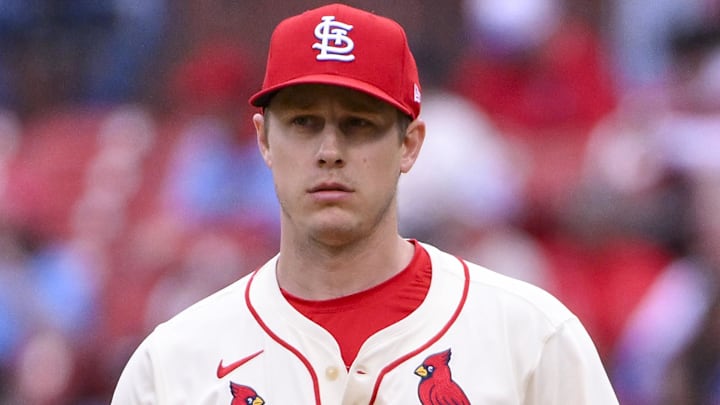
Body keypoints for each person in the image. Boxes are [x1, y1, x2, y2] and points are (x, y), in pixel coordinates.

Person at [111, 3, 618, 404]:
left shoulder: (532, 338)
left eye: (359, 124)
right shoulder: (173, 364)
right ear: (264, 140)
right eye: (304, 123)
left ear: (410, 144)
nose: (330, 152)